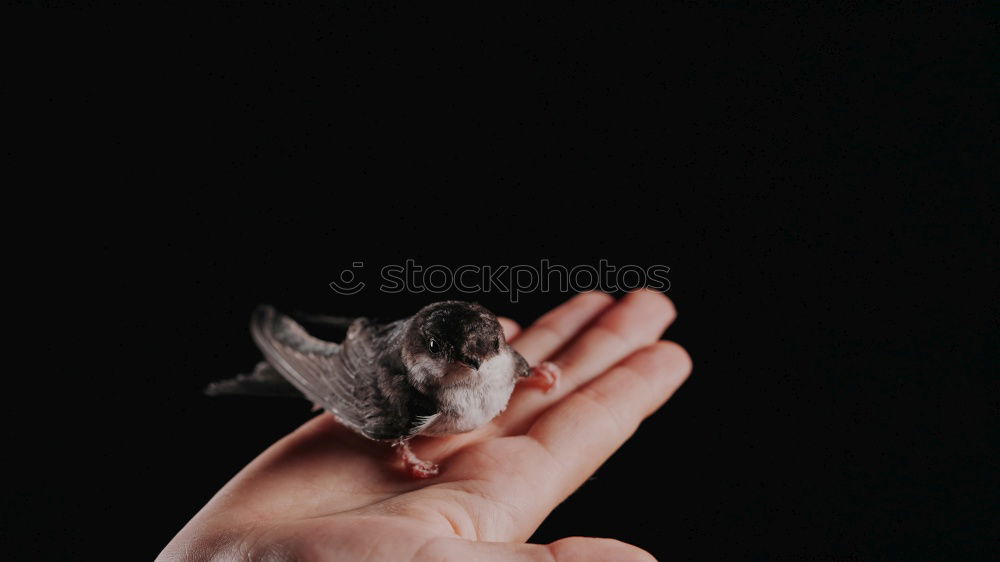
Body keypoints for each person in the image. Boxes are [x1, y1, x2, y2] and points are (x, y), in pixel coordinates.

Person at [158, 290, 691, 561]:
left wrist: (526, 372)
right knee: (387, 421)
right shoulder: (409, 390)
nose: (478, 368)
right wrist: (405, 449)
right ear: (424, 354)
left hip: (399, 340)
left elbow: (496, 359)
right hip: (361, 362)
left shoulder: (496, 357)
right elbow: (353, 374)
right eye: (454, 357)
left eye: (489, 354)